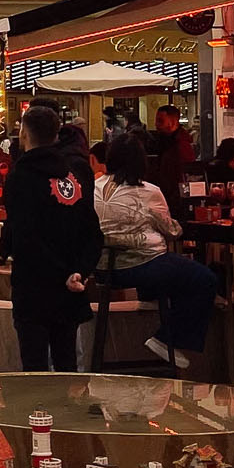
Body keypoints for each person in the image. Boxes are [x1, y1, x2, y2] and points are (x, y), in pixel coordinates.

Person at [94, 132, 218, 368]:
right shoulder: (148, 191)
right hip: (141, 266)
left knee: (168, 273)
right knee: (205, 279)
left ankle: (156, 312)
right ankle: (168, 339)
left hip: (103, 269)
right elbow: (171, 231)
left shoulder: (93, 187)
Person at [1, 104, 102, 371]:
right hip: (70, 287)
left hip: (33, 287)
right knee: (67, 366)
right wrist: (78, 271)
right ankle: (69, 413)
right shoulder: (74, 174)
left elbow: (23, 236)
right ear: (57, 134)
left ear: (23, 133)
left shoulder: (20, 176)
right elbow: (92, 231)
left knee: (34, 369)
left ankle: (38, 414)